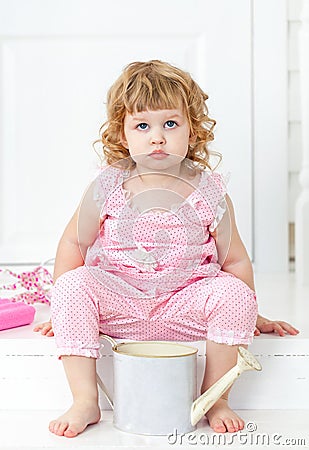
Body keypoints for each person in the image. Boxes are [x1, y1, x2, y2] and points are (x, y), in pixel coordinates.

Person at [34, 60, 299, 438]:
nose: (157, 137)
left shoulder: (209, 190)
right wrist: (60, 305)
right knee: (74, 285)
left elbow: (235, 258)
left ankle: (215, 398)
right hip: (120, 301)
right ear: (122, 134)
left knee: (234, 294)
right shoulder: (107, 185)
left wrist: (252, 312)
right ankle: (84, 400)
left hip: (182, 303)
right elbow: (75, 242)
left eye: (170, 124)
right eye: (143, 125)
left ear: (192, 131)